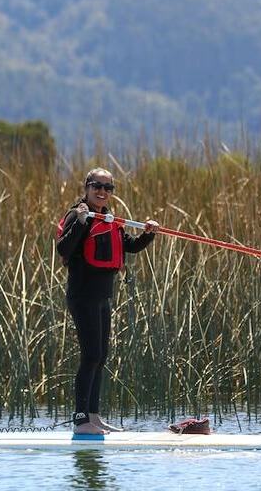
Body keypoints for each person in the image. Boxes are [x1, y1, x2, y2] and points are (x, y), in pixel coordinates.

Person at [56, 167, 159, 434]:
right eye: (96, 186)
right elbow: (63, 249)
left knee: (100, 356)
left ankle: (93, 416)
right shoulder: (77, 214)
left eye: (107, 187)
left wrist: (148, 233)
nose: (102, 191)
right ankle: (80, 421)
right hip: (82, 295)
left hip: (103, 297)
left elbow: (130, 246)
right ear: (86, 188)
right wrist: (79, 222)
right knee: (90, 355)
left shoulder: (108, 218)